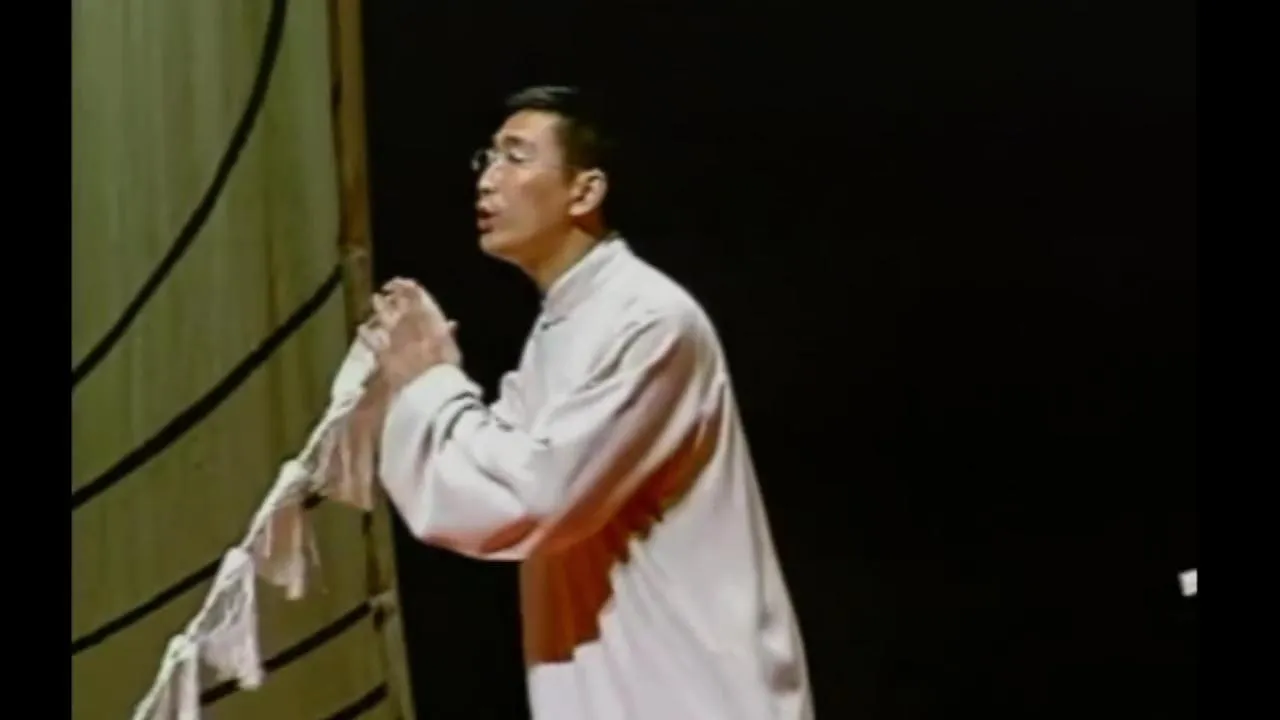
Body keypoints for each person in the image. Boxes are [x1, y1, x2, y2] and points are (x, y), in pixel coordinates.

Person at [362, 85, 813, 719]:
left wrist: (434, 382)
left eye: (515, 157)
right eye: (487, 158)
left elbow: (533, 498)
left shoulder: (649, 319)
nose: (487, 180)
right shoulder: (566, 324)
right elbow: (480, 486)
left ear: (584, 191)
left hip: (695, 692)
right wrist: (412, 384)